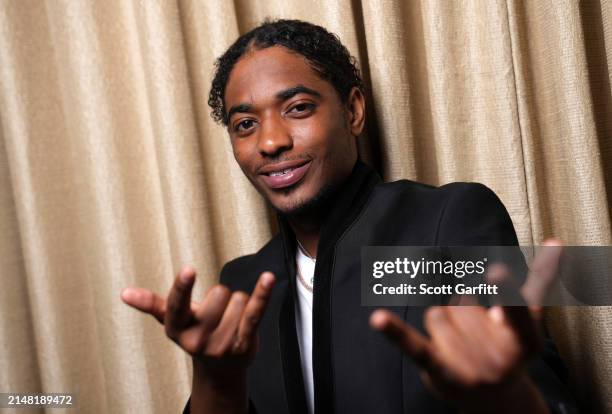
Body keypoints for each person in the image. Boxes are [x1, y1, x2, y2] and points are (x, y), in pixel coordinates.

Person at [121, 19, 576, 414]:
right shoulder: (244, 283)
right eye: (245, 124)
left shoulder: (447, 221)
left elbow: (547, 396)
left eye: (297, 108)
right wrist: (215, 380)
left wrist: (505, 396)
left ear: (353, 110)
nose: (270, 141)